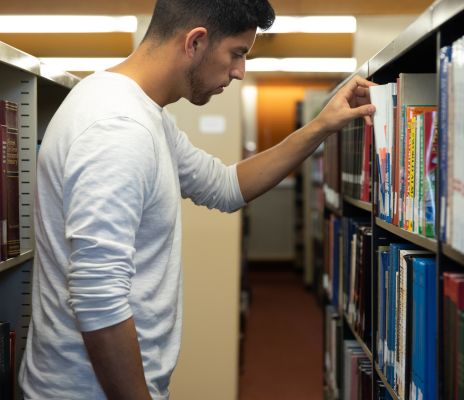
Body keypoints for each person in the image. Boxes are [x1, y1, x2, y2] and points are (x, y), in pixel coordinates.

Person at [19, 0, 375, 398]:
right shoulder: (117, 128)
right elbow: (97, 295)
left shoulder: (142, 114)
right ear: (196, 42)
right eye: (237, 54)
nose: (240, 72)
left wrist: (321, 127)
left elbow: (225, 186)